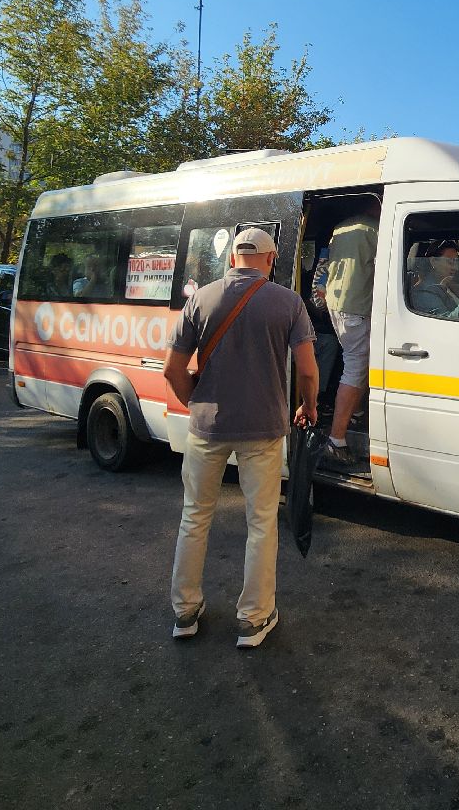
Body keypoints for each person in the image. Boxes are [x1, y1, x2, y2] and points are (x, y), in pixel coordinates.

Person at [164, 227, 319, 648]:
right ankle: (254, 618)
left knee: (194, 516)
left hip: (206, 428)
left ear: (233, 257)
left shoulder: (201, 299)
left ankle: (185, 611)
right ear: (270, 259)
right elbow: (306, 370)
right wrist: (308, 405)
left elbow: (172, 370)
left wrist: (196, 402)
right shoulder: (288, 302)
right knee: (261, 523)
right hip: (264, 429)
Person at [322, 202, 379, 464]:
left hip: (336, 303)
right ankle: (337, 439)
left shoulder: (340, 227)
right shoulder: (376, 229)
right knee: (355, 368)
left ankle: (355, 412)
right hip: (357, 306)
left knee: (357, 363)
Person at [410, 240, 459, 322]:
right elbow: (447, 322)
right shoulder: (423, 292)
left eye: (456, 261)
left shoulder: (451, 286)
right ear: (433, 261)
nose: (454, 267)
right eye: (449, 261)